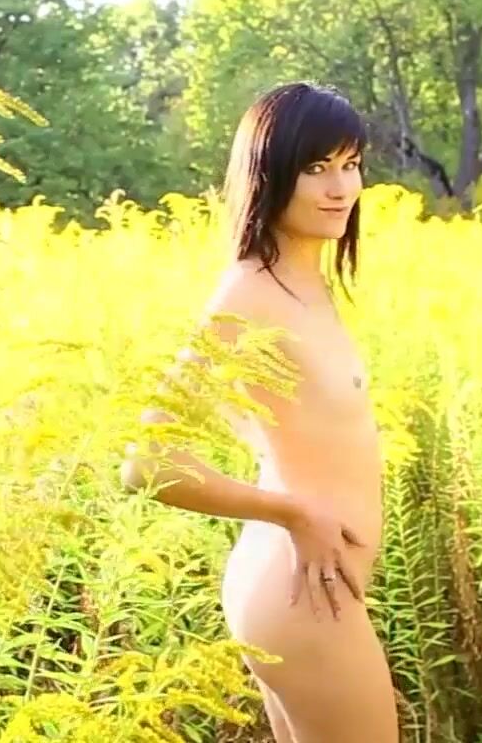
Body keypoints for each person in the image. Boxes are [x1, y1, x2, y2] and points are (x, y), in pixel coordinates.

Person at [119, 81, 396, 742]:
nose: (340, 188)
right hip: (302, 594)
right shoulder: (251, 292)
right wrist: (294, 513)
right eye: (316, 167)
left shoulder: (303, 283)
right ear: (269, 175)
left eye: (351, 164)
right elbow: (147, 462)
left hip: (304, 590)